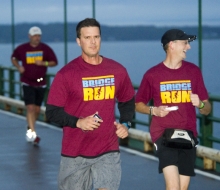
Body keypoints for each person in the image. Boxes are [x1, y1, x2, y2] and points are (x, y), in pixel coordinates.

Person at [45, 18, 135, 190]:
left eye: (96, 37)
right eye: (87, 38)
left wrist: (125, 123)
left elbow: (127, 100)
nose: (93, 42)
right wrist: (78, 122)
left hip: (107, 148)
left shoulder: (117, 70)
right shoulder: (67, 74)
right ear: (79, 41)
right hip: (75, 152)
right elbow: (52, 111)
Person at [135, 29, 211, 190]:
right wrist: (153, 111)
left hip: (188, 135)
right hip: (163, 134)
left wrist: (201, 104)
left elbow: (207, 110)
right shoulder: (153, 74)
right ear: (172, 45)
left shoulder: (193, 71)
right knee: (174, 187)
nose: (188, 47)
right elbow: (138, 104)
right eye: (185, 43)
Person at [11, 26, 58, 144]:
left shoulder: (45, 49)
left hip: (41, 82)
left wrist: (44, 63)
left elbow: (54, 62)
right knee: (30, 108)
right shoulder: (22, 48)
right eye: (35, 36)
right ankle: (33, 133)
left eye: (39, 36)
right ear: (29, 36)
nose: (37, 38)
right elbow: (13, 57)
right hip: (27, 81)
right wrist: (18, 67)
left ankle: (30, 126)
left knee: (36, 109)